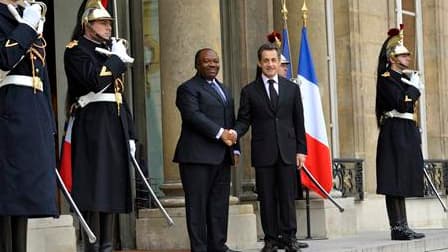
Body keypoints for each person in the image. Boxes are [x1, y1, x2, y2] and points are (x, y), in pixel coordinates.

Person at [64, 0, 135, 251]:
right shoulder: (76, 50)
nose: (108, 27)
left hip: (114, 122)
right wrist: (116, 60)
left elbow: (120, 95)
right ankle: (93, 247)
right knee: (94, 188)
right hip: (92, 123)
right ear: (88, 24)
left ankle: (107, 245)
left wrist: (132, 134)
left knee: (113, 187)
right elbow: (95, 81)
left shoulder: (110, 49)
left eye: (108, 23)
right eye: (102, 23)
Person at [233, 43, 308, 252]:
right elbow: (243, 120)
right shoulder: (249, 91)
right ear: (259, 63)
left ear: (278, 62)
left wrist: (301, 150)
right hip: (263, 153)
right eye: (265, 60)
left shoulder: (291, 89)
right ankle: (271, 239)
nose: (270, 64)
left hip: (287, 151)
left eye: (273, 60)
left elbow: (299, 121)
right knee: (266, 198)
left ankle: (290, 237)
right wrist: (233, 134)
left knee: (287, 196)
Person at [0, 1, 57, 251]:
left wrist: (48, 123)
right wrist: (25, 26)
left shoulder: (25, 18)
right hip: (7, 111)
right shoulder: (17, 20)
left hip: (31, 115)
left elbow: (40, 77)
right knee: (7, 193)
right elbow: (5, 57)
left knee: (21, 196)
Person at [173, 48, 240, 252]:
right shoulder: (187, 88)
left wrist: (235, 149)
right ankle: (200, 248)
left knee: (219, 206)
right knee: (197, 207)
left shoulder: (225, 89)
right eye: (206, 61)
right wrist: (221, 133)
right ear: (197, 65)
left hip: (222, 157)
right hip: (196, 158)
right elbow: (193, 116)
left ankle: (218, 246)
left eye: (215, 61)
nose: (212, 65)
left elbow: (231, 121)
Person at [375, 26, 425, 241]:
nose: (407, 57)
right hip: (394, 130)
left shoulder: (403, 78)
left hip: (405, 130)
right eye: (403, 54)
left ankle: (403, 225)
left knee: (401, 178)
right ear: (393, 58)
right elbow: (402, 104)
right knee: (393, 179)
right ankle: (396, 227)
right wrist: (414, 91)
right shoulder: (387, 77)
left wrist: (411, 89)